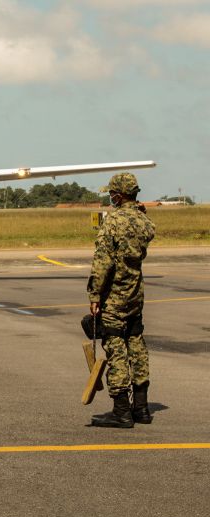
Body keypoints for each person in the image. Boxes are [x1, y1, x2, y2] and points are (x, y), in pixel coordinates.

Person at [87, 173, 156, 428]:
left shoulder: (112, 221)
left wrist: (95, 294)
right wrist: (141, 212)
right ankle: (142, 408)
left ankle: (121, 411)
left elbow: (103, 263)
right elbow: (149, 232)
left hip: (114, 294)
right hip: (135, 292)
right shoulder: (143, 221)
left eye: (112, 193)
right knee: (137, 345)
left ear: (117, 195)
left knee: (115, 347)